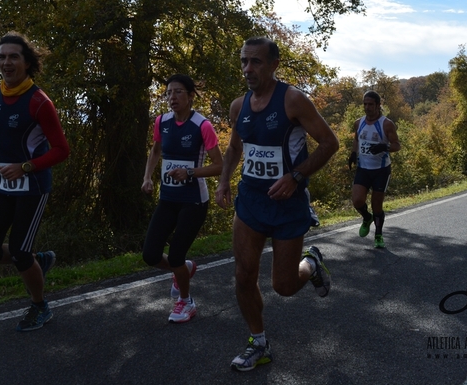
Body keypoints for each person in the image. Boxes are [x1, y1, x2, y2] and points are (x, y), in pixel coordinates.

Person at [215, 37, 340, 371]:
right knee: (243, 275)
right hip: (251, 202)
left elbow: (330, 143)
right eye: (244, 61)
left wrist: (295, 177)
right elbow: (234, 149)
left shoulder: (294, 101)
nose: (248, 69)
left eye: (256, 62)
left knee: (283, 286)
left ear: (273, 65)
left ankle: (311, 264)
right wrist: (224, 181)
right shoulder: (238, 106)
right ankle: (259, 343)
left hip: (288, 204)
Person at [0, 32, 70, 332]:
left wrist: (25, 167)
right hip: (4, 183)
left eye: (14, 56)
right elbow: (3, 136)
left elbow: (61, 150)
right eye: (2, 57)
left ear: (27, 63)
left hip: (34, 186)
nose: (7, 62)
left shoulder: (39, 102)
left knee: (19, 252)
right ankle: (37, 260)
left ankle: (41, 306)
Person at [142, 74, 223, 323]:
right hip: (168, 198)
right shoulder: (161, 122)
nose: (172, 97)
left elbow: (220, 165)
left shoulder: (202, 126)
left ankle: (186, 302)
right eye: (168, 92)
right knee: (150, 255)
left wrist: (189, 172)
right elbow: (156, 150)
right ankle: (184, 269)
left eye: (178, 92)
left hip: (194, 200)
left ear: (189, 96)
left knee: (176, 254)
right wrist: (147, 177)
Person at [348, 90, 400, 248]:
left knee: (377, 205)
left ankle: (378, 234)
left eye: (370, 104)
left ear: (378, 105)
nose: (367, 107)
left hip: (381, 170)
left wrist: (385, 146)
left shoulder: (386, 124)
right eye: (365, 104)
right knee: (357, 201)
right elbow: (357, 139)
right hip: (363, 168)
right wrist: (352, 153)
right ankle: (366, 217)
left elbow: (397, 145)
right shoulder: (359, 122)